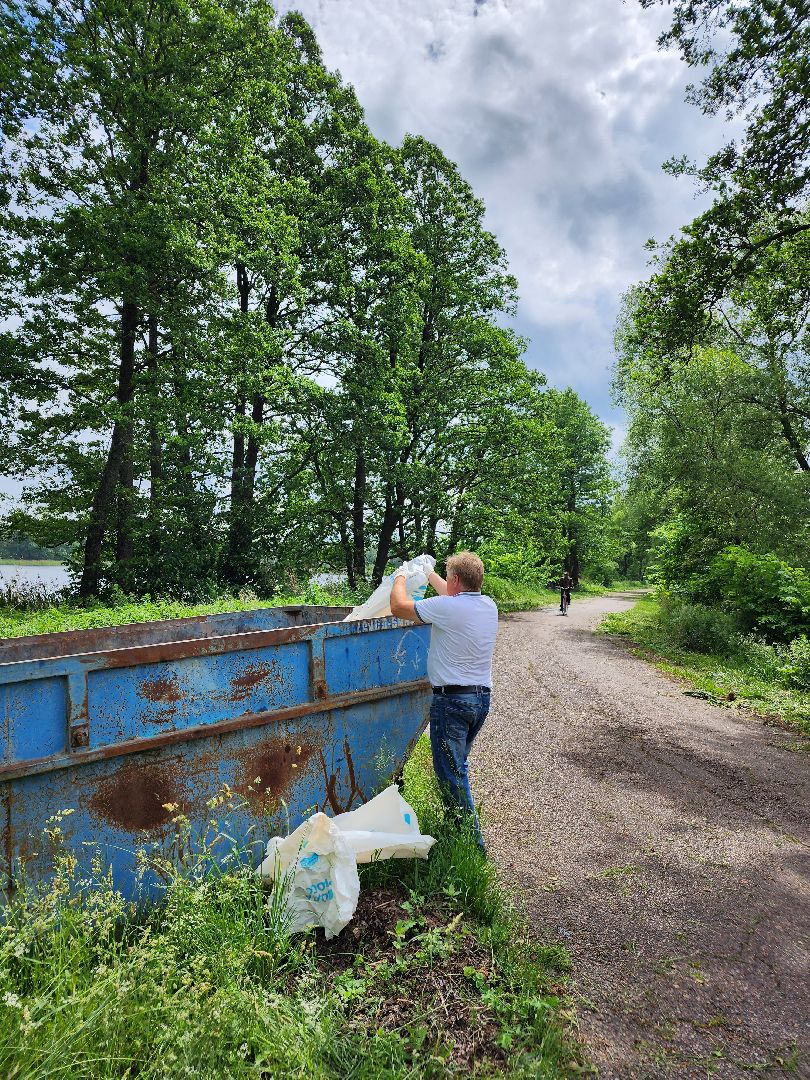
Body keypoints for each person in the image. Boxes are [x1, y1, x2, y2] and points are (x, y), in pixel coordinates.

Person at [390, 551, 497, 850]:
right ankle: (458, 831)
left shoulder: (447, 608)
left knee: (450, 775)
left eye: (449, 577)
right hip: (480, 700)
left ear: (456, 580)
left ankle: (472, 846)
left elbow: (398, 607)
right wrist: (428, 574)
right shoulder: (488, 605)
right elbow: (450, 596)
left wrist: (400, 577)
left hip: (452, 704)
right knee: (457, 768)